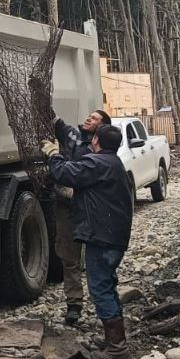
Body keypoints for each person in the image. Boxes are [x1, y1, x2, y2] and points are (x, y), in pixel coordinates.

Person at [42, 124, 133, 359]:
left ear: (97, 142)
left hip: (102, 238)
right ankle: (114, 338)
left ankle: (117, 348)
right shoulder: (112, 162)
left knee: (100, 288)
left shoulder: (98, 163)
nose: (90, 140)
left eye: (93, 138)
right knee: (108, 285)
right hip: (112, 236)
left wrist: (53, 154)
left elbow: (65, 173)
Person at [50, 109, 111, 326]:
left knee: (97, 260)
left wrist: (54, 157)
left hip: (90, 211)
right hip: (67, 208)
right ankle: (74, 305)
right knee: (69, 257)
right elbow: (57, 122)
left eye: (94, 118)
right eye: (89, 116)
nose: (88, 119)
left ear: (101, 128)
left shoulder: (101, 150)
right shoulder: (72, 135)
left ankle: (106, 307)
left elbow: (75, 173)